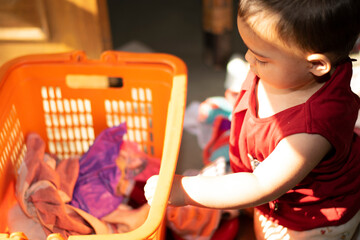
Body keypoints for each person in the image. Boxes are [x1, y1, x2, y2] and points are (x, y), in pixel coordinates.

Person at [145, 0, 360, 239]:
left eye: (261, 58)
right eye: (248, 47)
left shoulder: (310, 131)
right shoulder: (288, 71)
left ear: (316, 64)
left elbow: (260, 185)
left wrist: (185, 190)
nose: (248, 58)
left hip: (309, 221)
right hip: (272, 200)